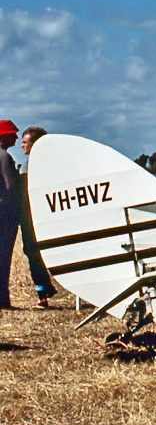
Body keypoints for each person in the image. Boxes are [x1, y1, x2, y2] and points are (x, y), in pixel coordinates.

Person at [20, 127, 56, 308]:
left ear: (35, 144)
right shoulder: (52, 164)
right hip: (48, 214)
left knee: (31, 251)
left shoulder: (28, 166)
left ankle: (43, 293)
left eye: (25, 142)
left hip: (30, 217)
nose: (21, 146)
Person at [0, 120, 20, 310]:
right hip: (5, 211)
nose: (15, 137)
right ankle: (2, 299)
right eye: (12, 133)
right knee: (4, 256)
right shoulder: (4, 157)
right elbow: (10, 186)